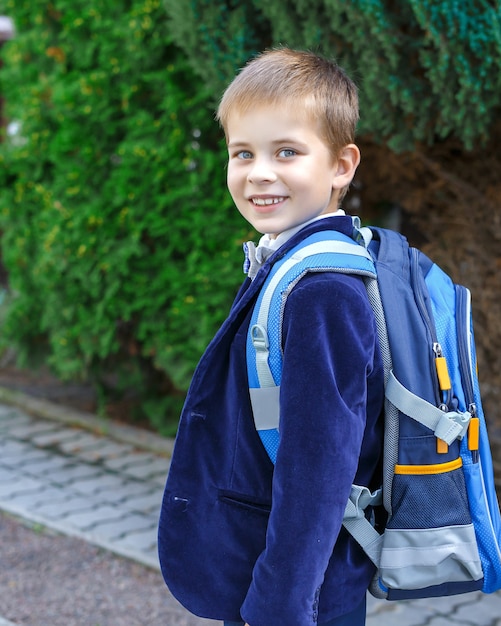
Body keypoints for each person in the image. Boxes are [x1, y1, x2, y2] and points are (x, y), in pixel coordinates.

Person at [158, 47, 384, 626]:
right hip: (279, 573)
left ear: (341, 165)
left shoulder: (321, 291)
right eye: (243, 153)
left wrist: (280, 606)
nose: (260, 172)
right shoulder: (287, 262)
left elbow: (320, 467)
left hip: (299, 589)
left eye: (287, 151)